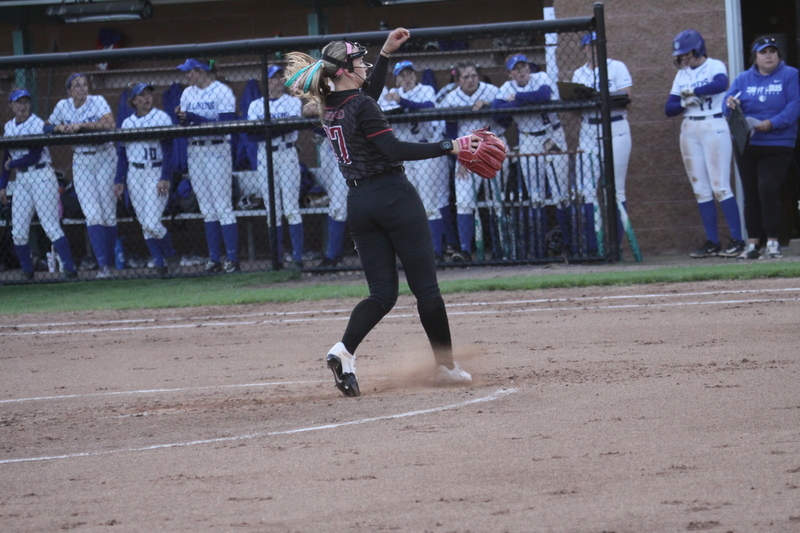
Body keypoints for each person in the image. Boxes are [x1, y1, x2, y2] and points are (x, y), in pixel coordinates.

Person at [283, 28, 474, 397]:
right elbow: (392, 148)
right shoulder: (359, 105)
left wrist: (386, 53)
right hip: (393, 197)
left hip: (360, 204)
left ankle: (344, 351)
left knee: (382, 294)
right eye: (359, 62)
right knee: (427, 290)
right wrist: (451, 145)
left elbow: (364, 99)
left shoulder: (330, 105)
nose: (365, 65)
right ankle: (446, 366)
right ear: (342, 71)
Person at [665, 30, 744, 259]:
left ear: (698, 48)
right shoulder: (681, 75)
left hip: (714, 125)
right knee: (701, 189)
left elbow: (721, 83)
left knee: (720, 186)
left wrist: (695, 91)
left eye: (687, 53)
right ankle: (713, 241)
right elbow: (669, 109)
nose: (683, 58)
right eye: (680, 54)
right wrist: (684, 101)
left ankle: (737, 239)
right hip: (690, 128)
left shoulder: (714, 65)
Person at [724, 37, 800, 259]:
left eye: (772, 51)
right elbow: (727, 104)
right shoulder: (743, 79)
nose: (769, 56)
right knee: (750, 194)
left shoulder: (790, 75)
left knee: (768, 188)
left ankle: (774, 241)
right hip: (747, 144)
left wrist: (772, 123)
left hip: (777, 143)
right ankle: (753, 244)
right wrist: (730, 105)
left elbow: (794, 106)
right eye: (763, 52)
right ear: (754, 57)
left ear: (778, 55)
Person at [492, 54, 571, 257]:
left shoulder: (541, 77)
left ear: (529, 67)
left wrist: (517, 99)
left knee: (561, 195)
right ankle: (538, 250)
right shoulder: (507, 87)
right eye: (516, 68)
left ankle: (570, 247)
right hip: (528, 138)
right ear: (510, 73)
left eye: (523, 66)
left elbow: (543, 95)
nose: (521, 71)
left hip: (553, 136)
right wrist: (522, 103)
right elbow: (497, 110)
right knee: (535, 196)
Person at [45, 73, 117, 278]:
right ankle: (102, 266)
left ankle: (108, 264)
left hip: (105, 156)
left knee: (108, 214)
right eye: (76, 86)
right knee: (93, 214)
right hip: (82, 160)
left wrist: (83, 126)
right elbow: (46, 126)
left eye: (84, 85)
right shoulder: (63, 106)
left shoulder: (97, 101)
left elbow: (109, 123)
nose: (82, 89)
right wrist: (60, 127)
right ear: (69, 90)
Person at [1, 89, 78, 280]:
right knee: (18, 230)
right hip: (21, 180)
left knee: (50, 226)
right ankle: (27, 272)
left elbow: (34, 155)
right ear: (11, 105)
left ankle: (70, 268)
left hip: (42, 176)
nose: (22, 105)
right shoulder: (9, 127)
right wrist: (2, 184)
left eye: (26, 101)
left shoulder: (37, 123)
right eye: (18, 102)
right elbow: (6, 157)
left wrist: (13, 164)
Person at [378, 60, 449, 262]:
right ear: (397, 78)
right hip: (403, 155)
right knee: (407, 207)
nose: (406, 78)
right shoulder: (389, 94)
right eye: (402, 75)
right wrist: (396, 102)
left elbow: (427, 107)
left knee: (429, 204)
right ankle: (412, 251)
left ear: (415, 75)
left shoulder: (425, 90)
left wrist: (402, 101)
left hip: (424, 151)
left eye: (409, 74)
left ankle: (435, 251)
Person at [175, 58, 240, 273]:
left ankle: (232, 259)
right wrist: (183, 118)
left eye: (190, 72)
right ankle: (214, 259)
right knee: (207, 209)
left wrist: (195, 117)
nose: (187, 76)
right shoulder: (187, 94)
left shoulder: (221, 91)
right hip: (195, 150)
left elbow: (226, 124)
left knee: (222, 206)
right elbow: (186, 123)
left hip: (217, 149)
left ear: (201, 71)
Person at [571, 32, 633, 248]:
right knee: (587, 190)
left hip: (615, 127)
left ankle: (615, 246)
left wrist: (600, 97)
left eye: (596, 45)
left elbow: (626, 96)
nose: (592, 49)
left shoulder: (616, 67)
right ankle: (593, 247)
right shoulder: (578, 74)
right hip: (588, 130)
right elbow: (575, 109)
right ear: (584, 49)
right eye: (588, 46)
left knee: (616, 189)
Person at [115, 83, 181, 277]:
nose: (146, 98)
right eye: (141, 95)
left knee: (152, 223)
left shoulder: (161, 117)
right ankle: (160, 265)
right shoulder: (127, 123)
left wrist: (164, 178)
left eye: (148, 94)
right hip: (135, 174)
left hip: (156, 171)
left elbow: (168, 150)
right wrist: (119, 180)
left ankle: (171, 254)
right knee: (145, 224)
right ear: (134, 100)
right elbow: (122, 154)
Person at [438, 61, 500, 262]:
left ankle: (502, 249)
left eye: (474, 75)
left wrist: (490, 105)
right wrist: (462, 157)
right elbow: (450, 133)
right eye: (466, 77)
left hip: (493, 149)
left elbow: (507, 119)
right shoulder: (450, 99)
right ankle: (465, 250)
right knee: (464, 202)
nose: (471, 80)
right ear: (458, 81)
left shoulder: (491, 91)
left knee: (497, 202)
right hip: (466, 152)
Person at [247, 65, 305, 268]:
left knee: (291, 208)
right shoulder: (255, 105)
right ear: (266, 81)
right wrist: (276, 129)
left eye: (281, 77)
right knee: (272, 209)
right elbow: (252, 135)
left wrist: (268, 128)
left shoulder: (293, 102)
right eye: (273, 78)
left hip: (287, 154)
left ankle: (298, 258)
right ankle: (277, 260)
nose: (278, 81)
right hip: (265, 156)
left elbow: (293, 126)